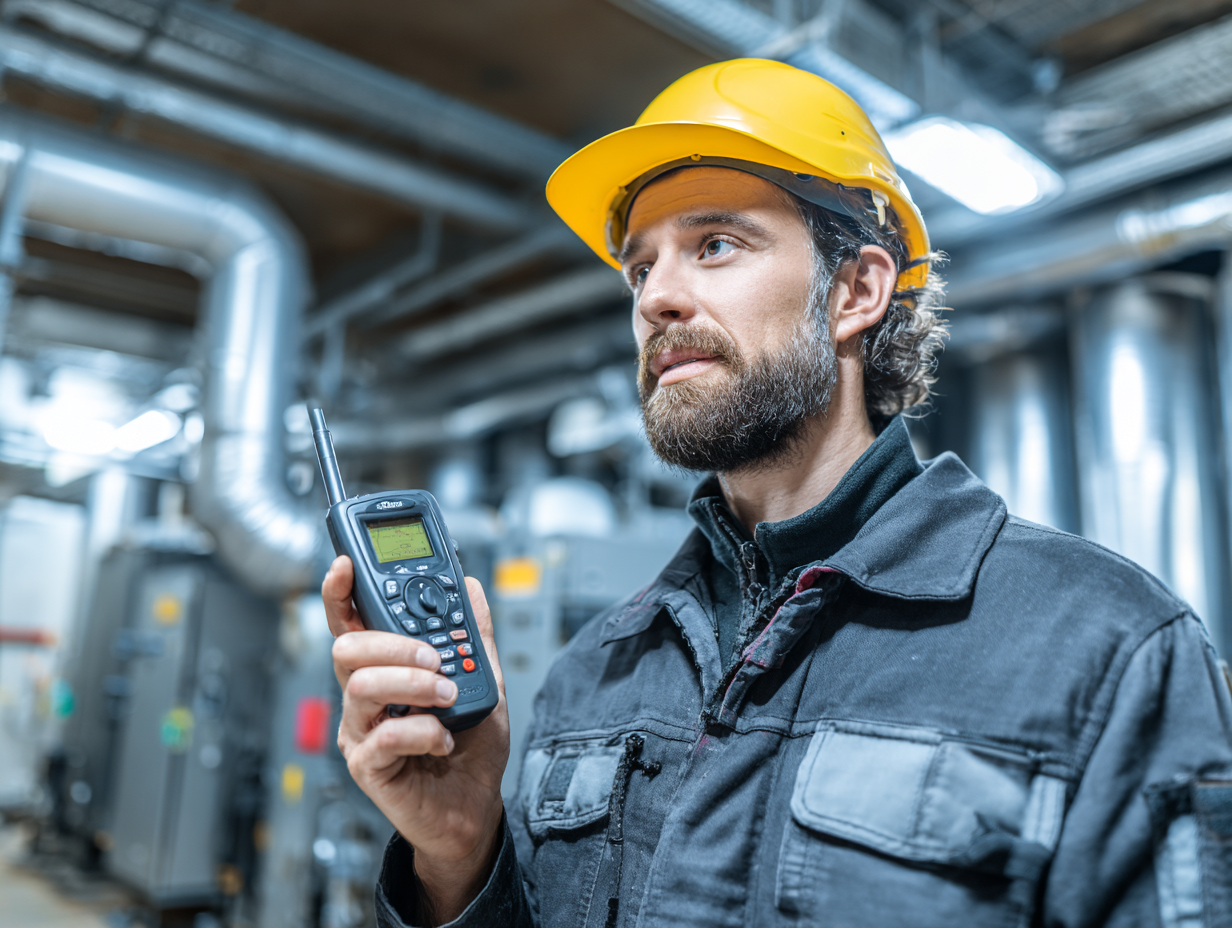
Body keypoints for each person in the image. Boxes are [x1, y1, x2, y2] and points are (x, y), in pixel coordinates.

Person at [322, 59, 1232, 927]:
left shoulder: (1104, 649)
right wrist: (458, 854)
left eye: (715, 244)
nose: (655, 299)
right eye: (640, 268)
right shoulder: (594, 672)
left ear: (855, 291)